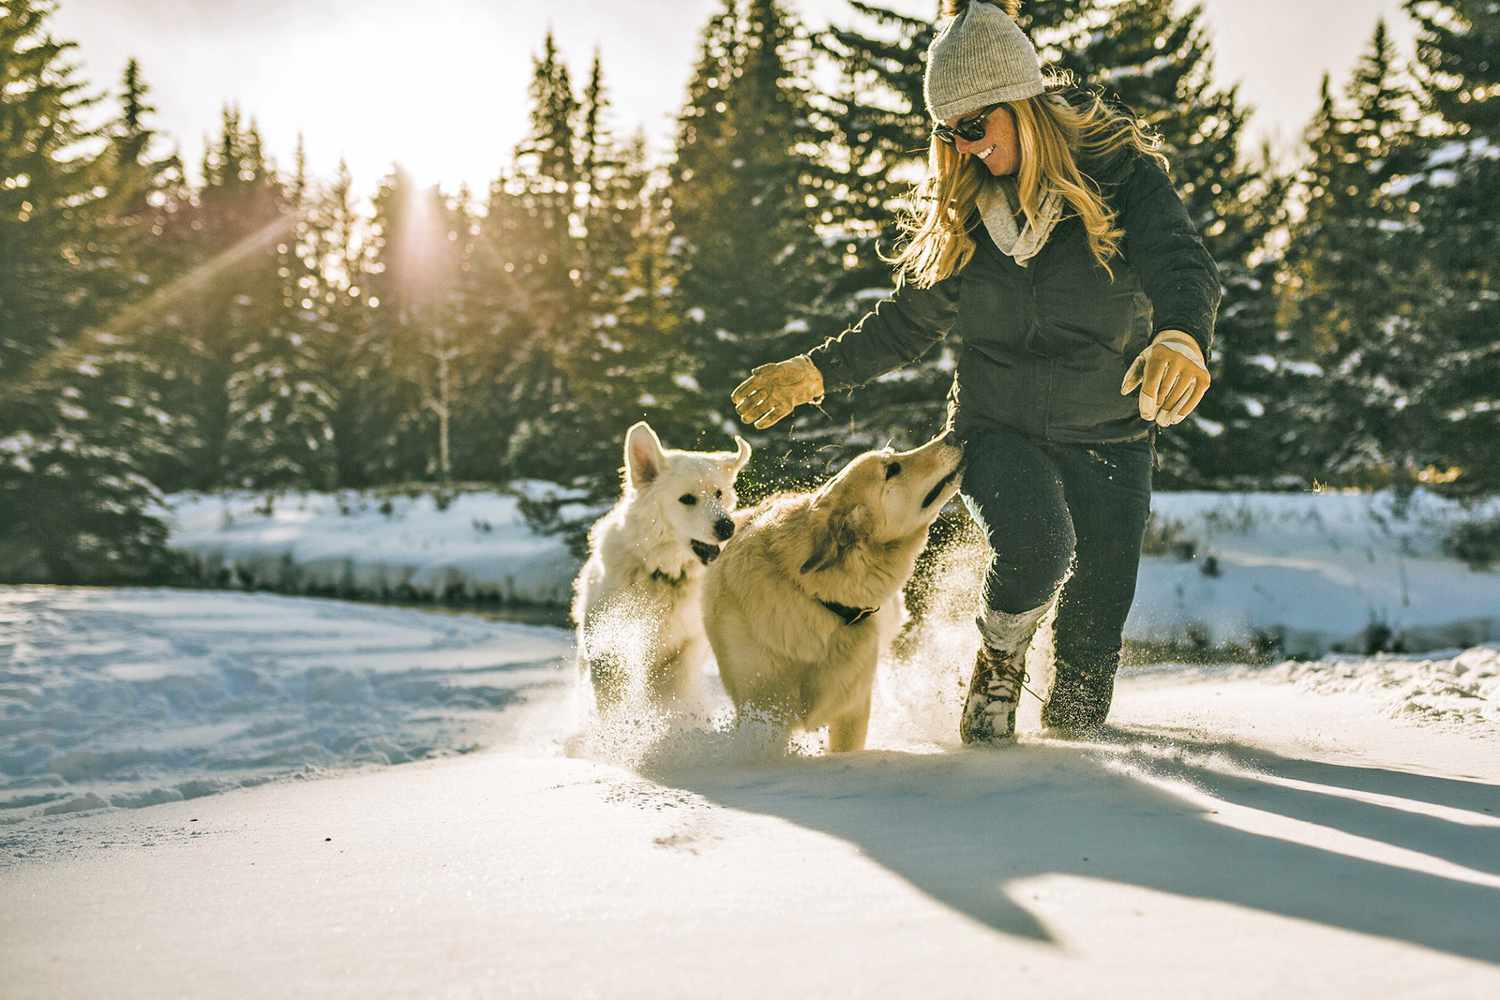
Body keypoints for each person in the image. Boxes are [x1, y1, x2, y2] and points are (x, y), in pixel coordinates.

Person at [729, 0, 1221, 744]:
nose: (961, 151)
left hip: (1114, 429)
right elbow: (905, 323)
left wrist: (1182, 337)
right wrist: (817, 372)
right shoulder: (966, 214)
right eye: (946, 134)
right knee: (1037, 544)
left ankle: (1080, 764)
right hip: (993, 428)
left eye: (973, 128)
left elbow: (1183, 264)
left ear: (1021, 106)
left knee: (1098, 607)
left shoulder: (1122, 177)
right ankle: (997, 667)